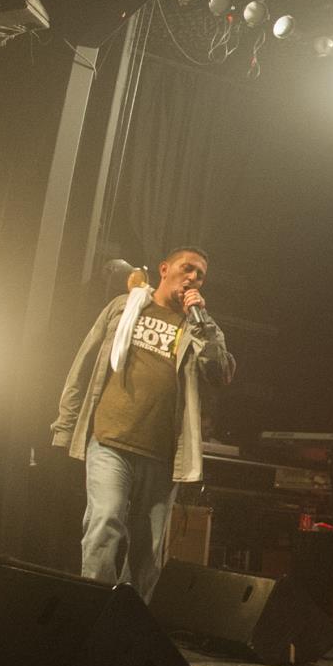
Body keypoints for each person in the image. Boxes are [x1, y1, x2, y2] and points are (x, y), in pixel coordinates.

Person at [52, 247, 235, 602]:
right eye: (187, 269)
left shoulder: (198, 325)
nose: (193, 278)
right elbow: (84, 362)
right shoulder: (124, 307)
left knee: (148, 551)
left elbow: (220, 373)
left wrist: (204, 325)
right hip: (109, 439)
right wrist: (65, 424)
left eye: (200, 275)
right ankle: (93, 609)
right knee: (104, 522)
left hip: (162, 453)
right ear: (164, 269)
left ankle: (126, 619)